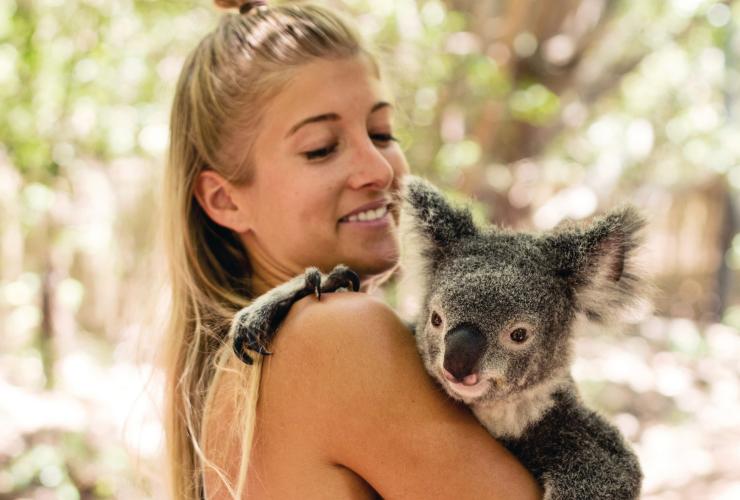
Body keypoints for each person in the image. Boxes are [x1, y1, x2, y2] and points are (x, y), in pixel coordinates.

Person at [161, 1, 543, 498]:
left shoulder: (241, 372)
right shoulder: (335, 333)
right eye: (321, 148)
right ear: (224, 200)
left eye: (382, 133)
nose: (380, 171)